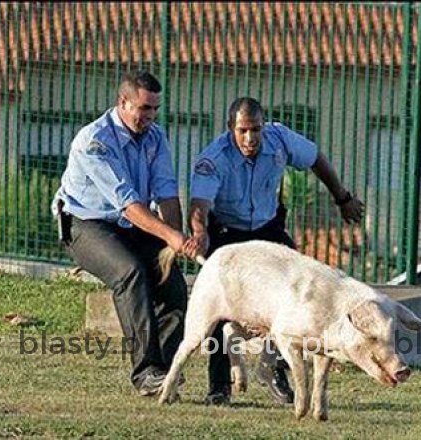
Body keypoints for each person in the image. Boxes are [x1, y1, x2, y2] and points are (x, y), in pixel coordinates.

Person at [183, 97, 364, 406]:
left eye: (256, 129)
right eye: (243, 131)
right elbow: (199, 205)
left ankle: (275, 369)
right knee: (219, 306)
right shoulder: (213, 158)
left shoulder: (280, 139)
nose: (250, 138)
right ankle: (219, 387)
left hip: (267, 226)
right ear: (230, 130)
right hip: (227, 230)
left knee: (300, 294)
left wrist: (342, 198)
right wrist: (199, 233)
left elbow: (316, 159)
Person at [51, 71, 193, 397]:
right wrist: (170, 236)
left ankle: (165, 374)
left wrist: (176, 237)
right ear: (122, 102)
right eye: (143, 108)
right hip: (85, 224)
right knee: (130, 274)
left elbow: (167, 192)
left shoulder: (156, 137)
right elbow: (127, 203)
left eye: (155, 109)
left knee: (172, 283)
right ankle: (146, 373)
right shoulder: (94, 141)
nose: (150, 117)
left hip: (132, 224)